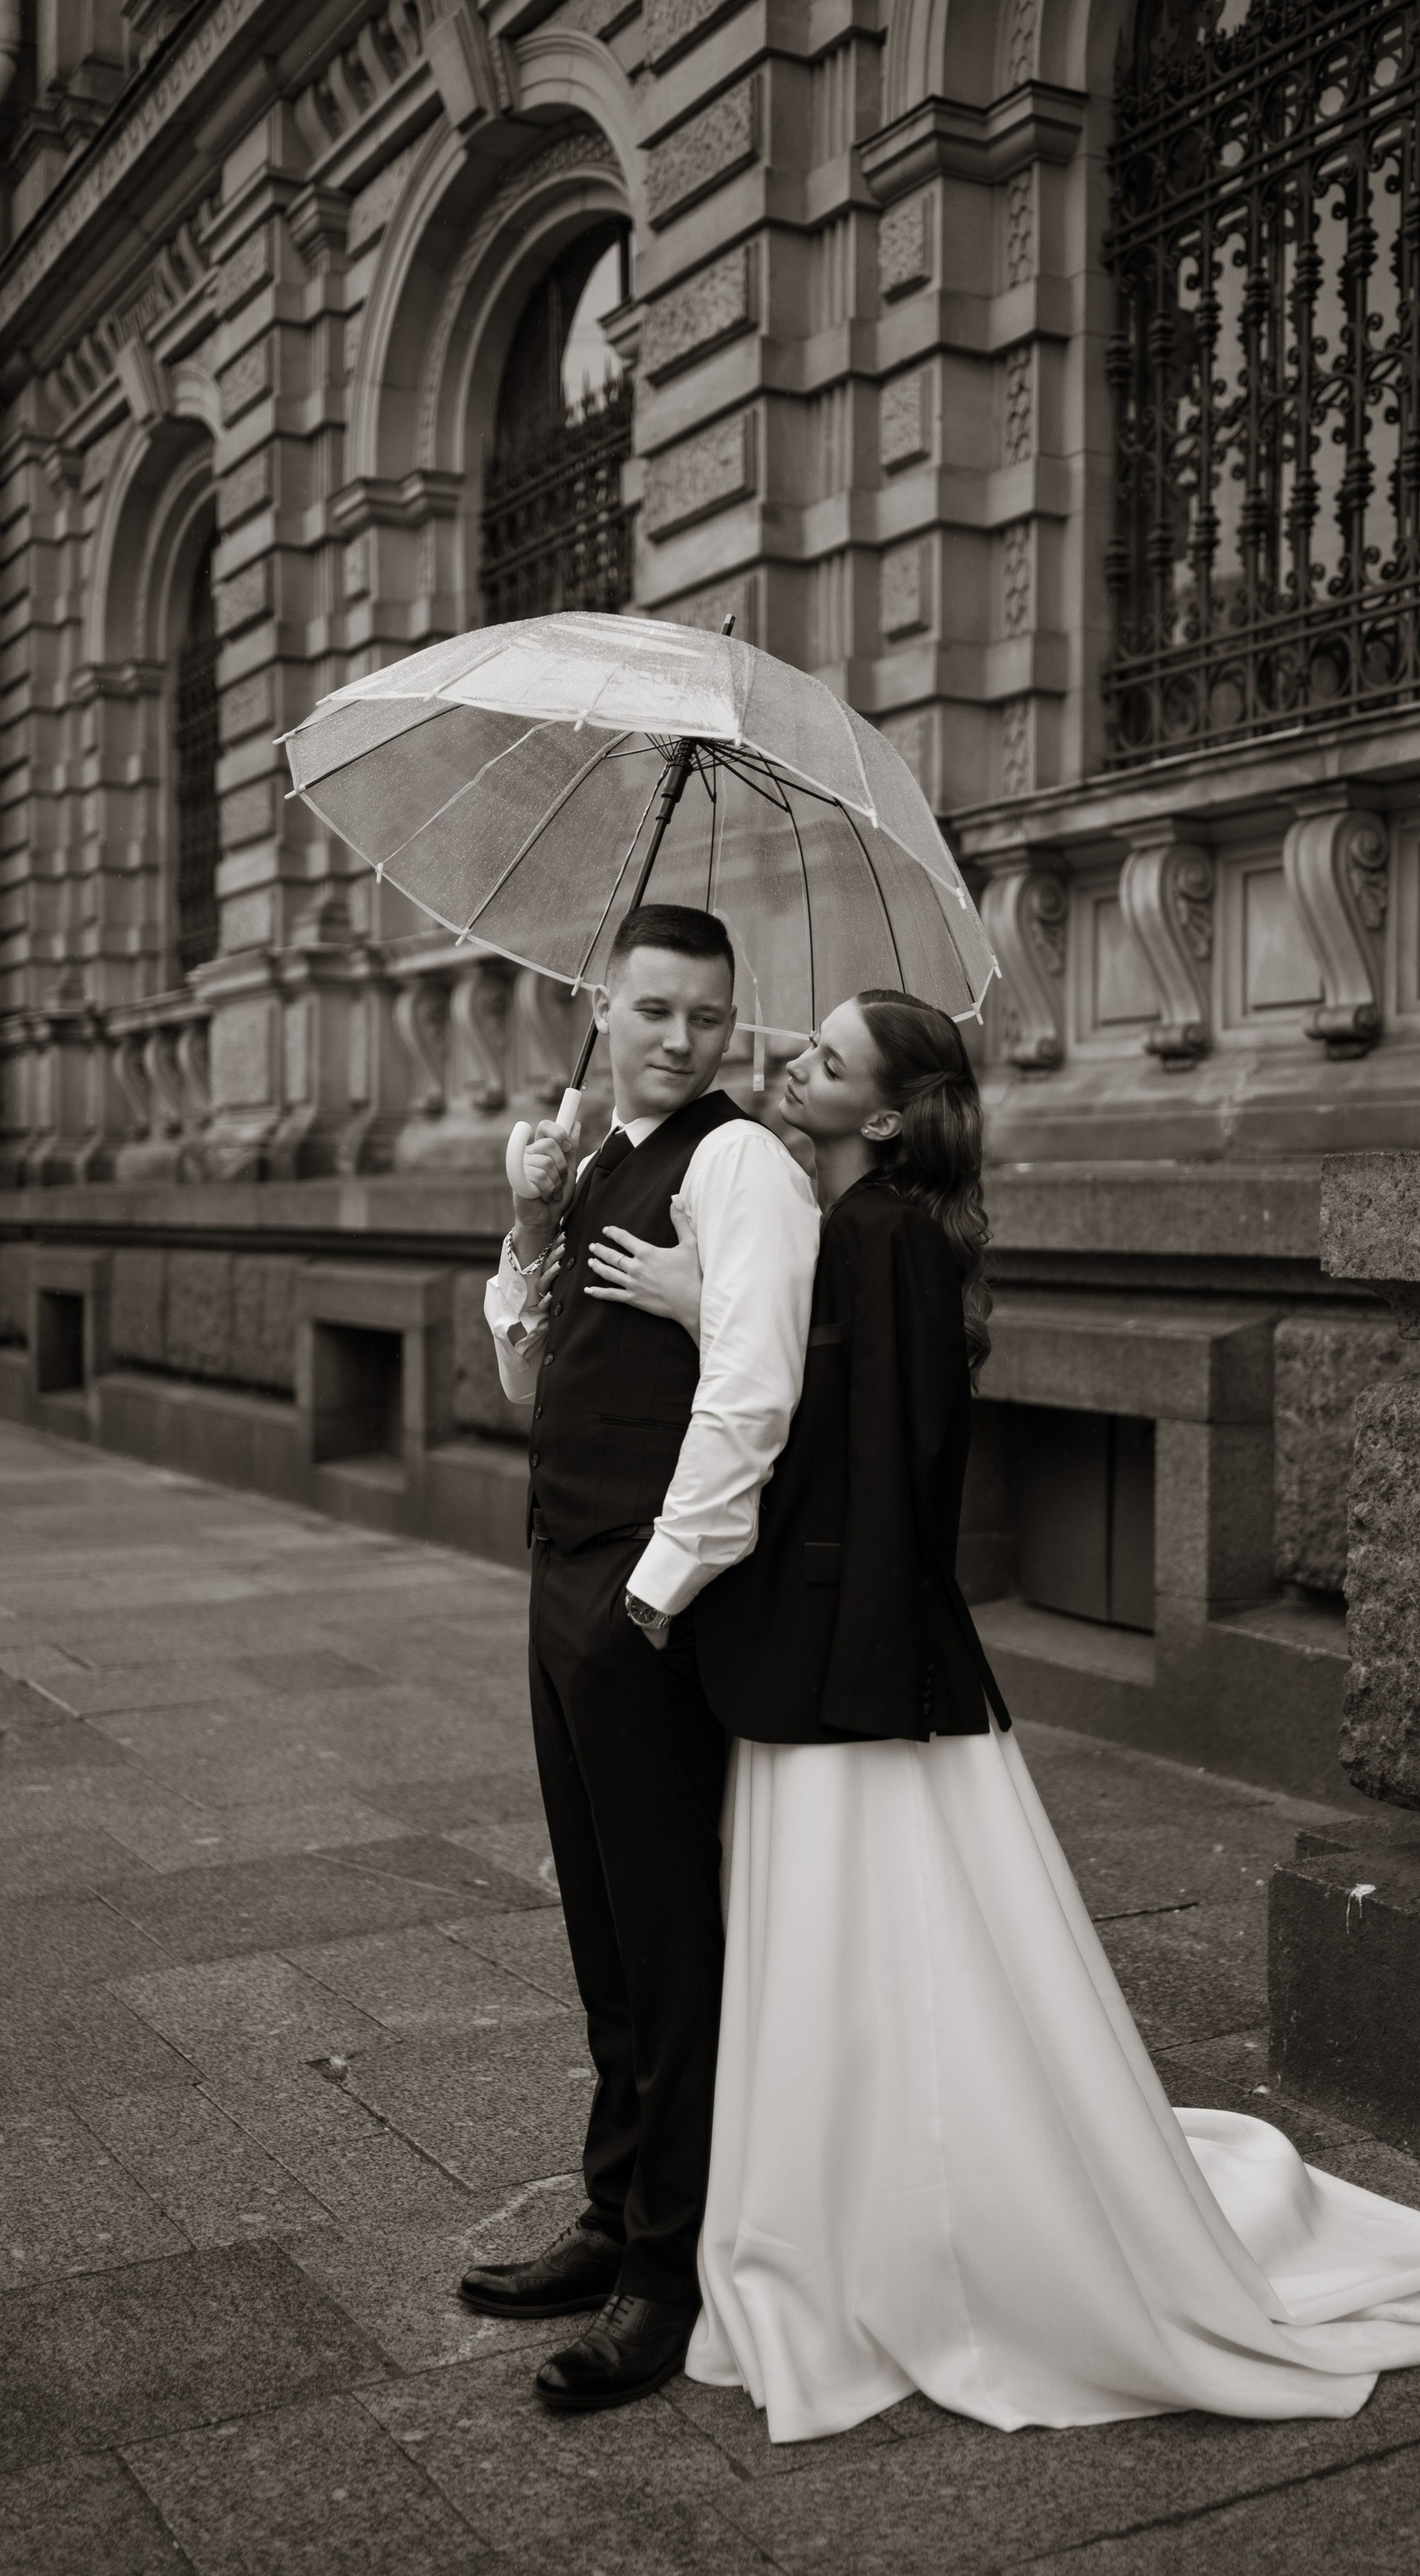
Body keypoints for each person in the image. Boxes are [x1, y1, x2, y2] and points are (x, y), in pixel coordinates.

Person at [582, 987, 1420, 2444]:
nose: (793, 1063)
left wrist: (713, 1321)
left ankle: (901, 2228)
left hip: (847, 1669)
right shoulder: (859, 1225)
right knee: (874, 1956)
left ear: (890, 1116)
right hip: (829, 1659)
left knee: (884, 1950)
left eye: (828, 1059)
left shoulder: (884, 1233)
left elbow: (884, 1468)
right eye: (808, 1046)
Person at [458, 904, 818, 2416]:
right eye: (656, 1008)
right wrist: (530, 1220)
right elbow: (522, 1368)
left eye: (709, 1016)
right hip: (563, 1575)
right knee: (605, 1926)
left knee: (671, 1945)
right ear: (599, 1008)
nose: (682, 1038)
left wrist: (655, 1595)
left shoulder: (743, 1166)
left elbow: (753, 1397)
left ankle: (669, 2274)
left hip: (644, 1594)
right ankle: (614, 2216)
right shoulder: (591, 1156)